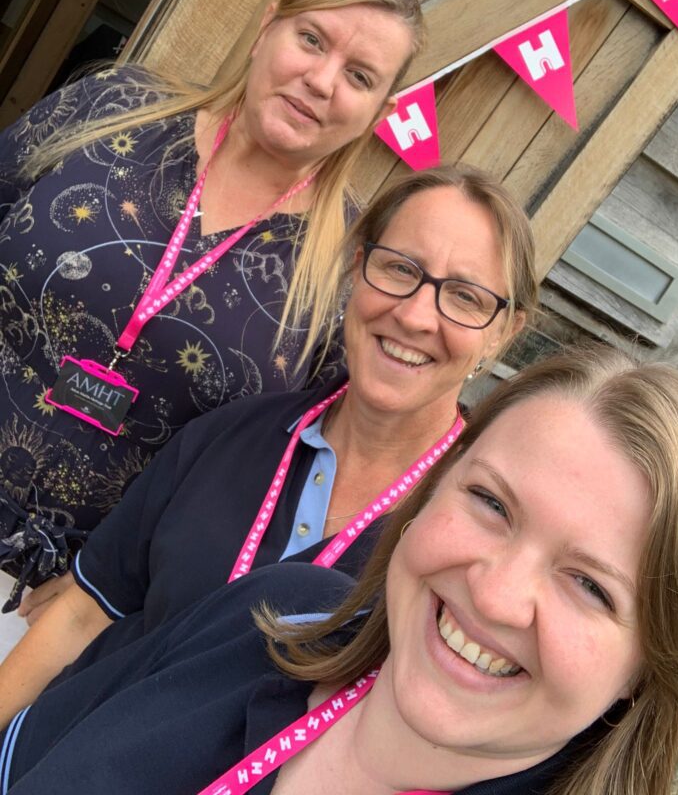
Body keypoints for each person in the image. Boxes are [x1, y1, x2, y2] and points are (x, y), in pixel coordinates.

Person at [0, 344, 678, 795]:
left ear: (648, 667)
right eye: (492, 504)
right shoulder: (274, 613)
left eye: (591, 585)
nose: (494, 596)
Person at [0, 164, 537, 723]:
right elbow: (85, 614)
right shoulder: (229, 432)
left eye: (467, 298)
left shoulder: (473, 538)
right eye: (400, 269)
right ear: (357, 270)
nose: (415, 315)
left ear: (504, 333)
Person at [0, 0, 424, 619]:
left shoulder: (350, 273)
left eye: (359, 76)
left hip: (64, 608)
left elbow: (279, 480)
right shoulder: (114, 109)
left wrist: (113, 593)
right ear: (267, 29)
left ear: (379, 110)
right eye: (310, 39)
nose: (320, 80)